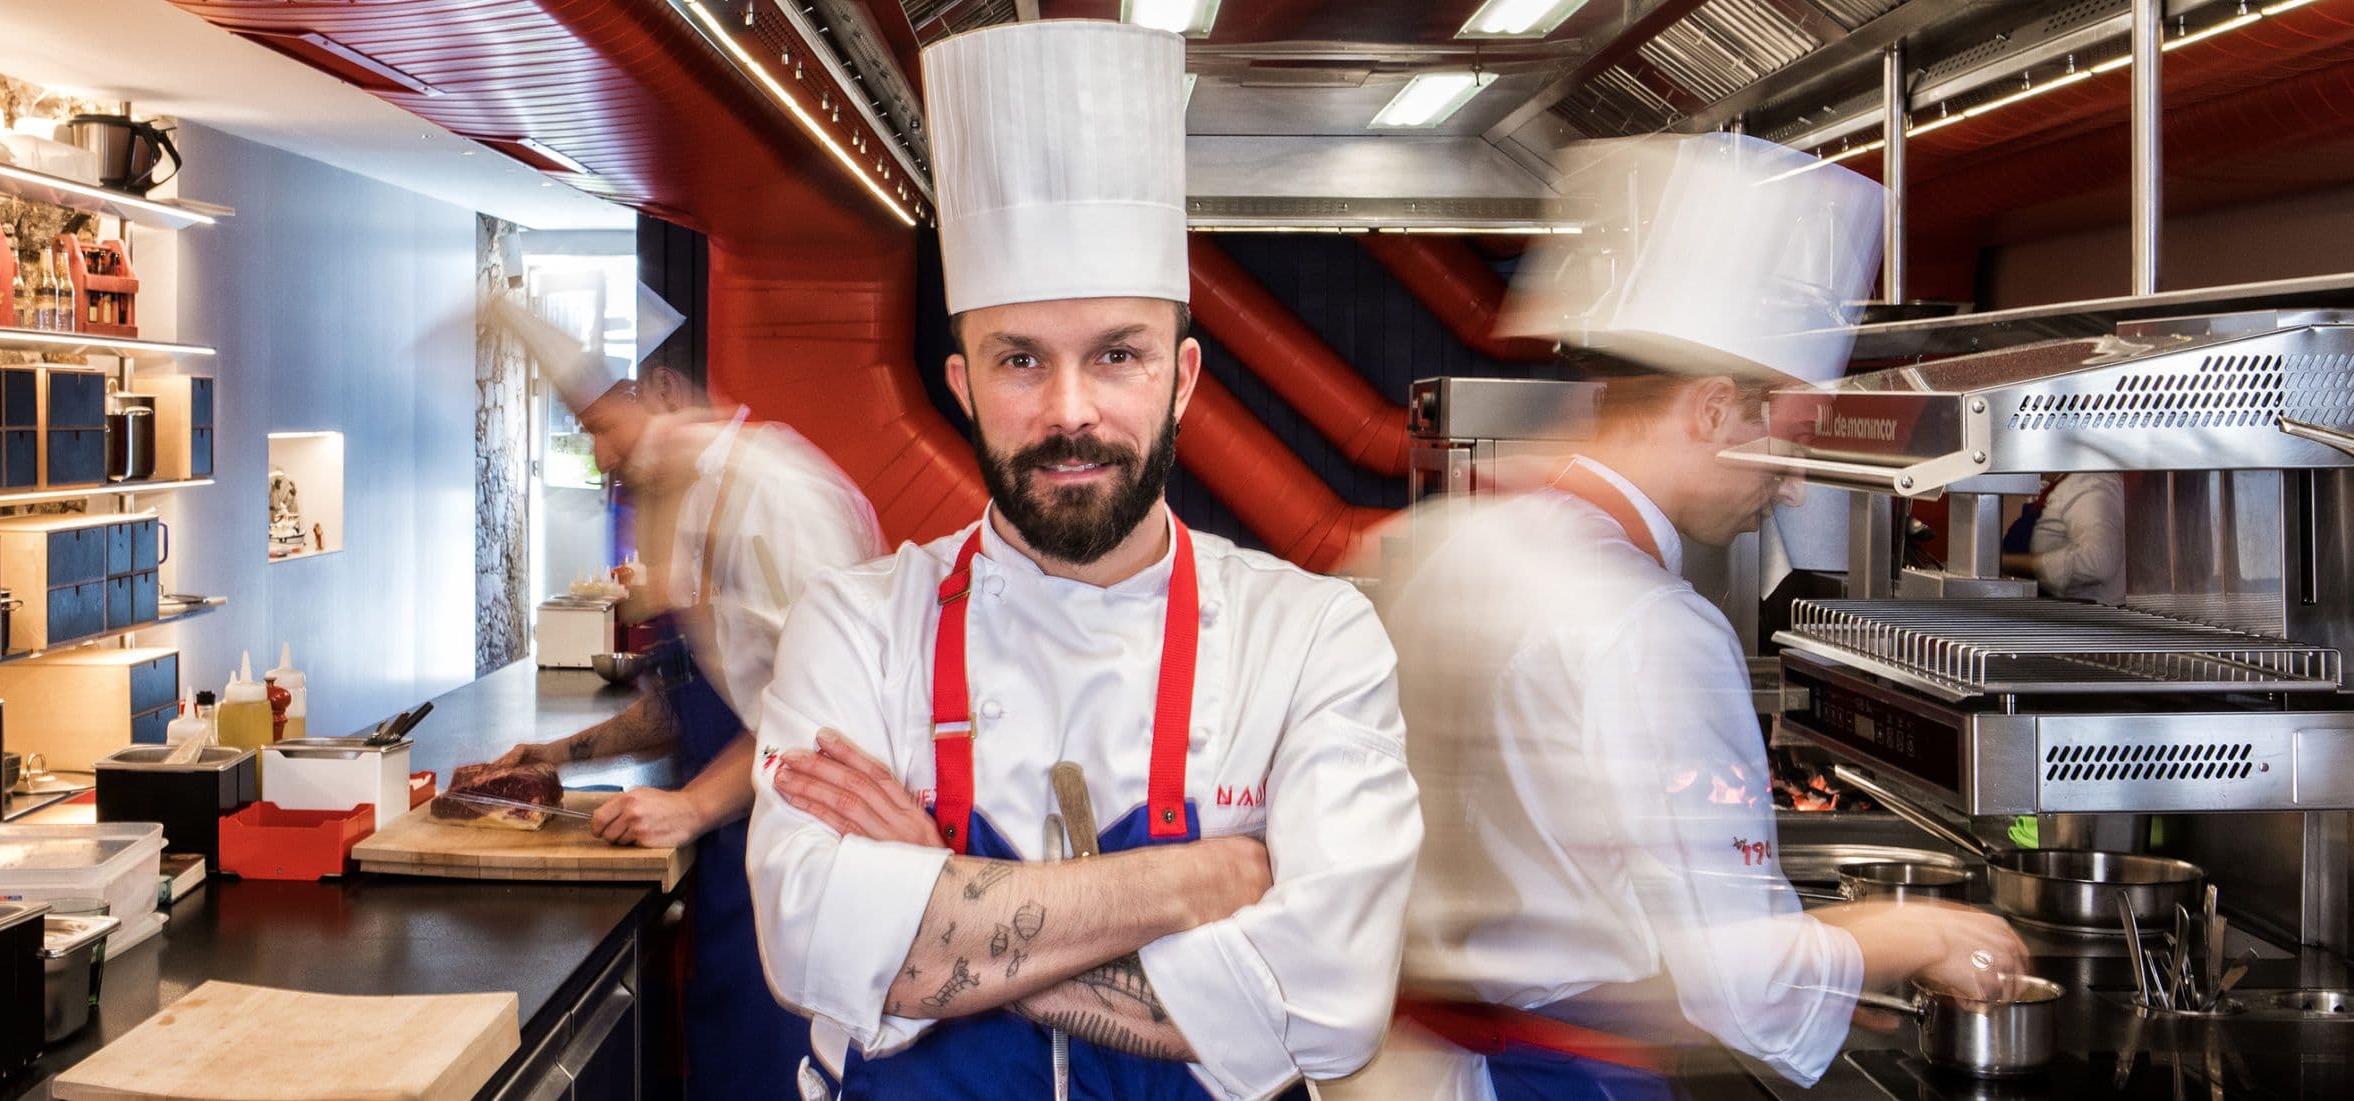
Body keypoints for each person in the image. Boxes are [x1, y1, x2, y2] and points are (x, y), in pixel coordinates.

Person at [742, 19, 1422, 1101]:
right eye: (1019, 360)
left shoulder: (1311, 638)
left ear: (1182, 381)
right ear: (962, 389)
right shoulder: (855, 624)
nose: (1070, 412)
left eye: (1117, 354)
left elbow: (1328, 1012)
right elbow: (810, 947)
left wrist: (932, 913)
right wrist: (1200, 882)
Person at [1347, 134, 2029, 1101]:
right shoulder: (1652, 625)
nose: (1793, 491)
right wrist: (1914, 933)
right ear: (1712, 410)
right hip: (1555, 1080)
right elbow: (1734, 977)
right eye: (1787, 447)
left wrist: (1831, 968)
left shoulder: (1452, 542)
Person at [488, 298, 883, 1101]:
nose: (600, 457)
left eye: (604, 427)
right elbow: (697, 697)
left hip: (800, 846)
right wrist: (561, 754)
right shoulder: (695, 495)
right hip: (741, 845)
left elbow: (818, 714)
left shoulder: (769, 495)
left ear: (662, 390)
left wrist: (692, 807)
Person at [2001, 472, 2127, 603]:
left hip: (2091, 617)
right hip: (2057, 613)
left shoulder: (2089, 483)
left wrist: (2010, 564)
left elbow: (2098, 563)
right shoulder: (2053, 486)